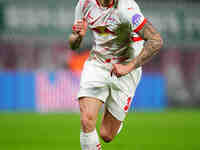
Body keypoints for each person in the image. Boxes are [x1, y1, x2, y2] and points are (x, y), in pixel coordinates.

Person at [68, 0, 163, 149]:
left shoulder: (127, 9)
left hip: (125, 70)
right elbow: (73, 44)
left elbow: (156, 40)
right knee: (87, 120)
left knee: (106, 134)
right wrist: (78, 36)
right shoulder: (84, 4)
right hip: (97, 64)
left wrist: (128, 67)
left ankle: (114, 119)